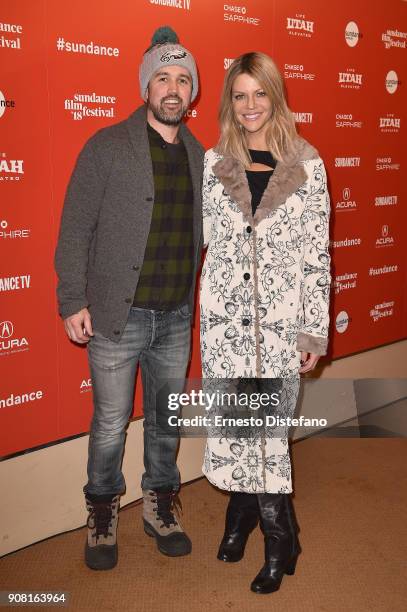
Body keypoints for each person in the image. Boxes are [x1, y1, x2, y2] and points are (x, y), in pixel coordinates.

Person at [55, 26, 204, 570]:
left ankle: (160, 505)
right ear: (146, 86)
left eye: (182, 79)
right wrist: (72, 299)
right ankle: (102, 512)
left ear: (192, 93)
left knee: (166, 421)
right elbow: (75, 228)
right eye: (162, 77)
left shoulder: (199, 155)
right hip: (118, 318)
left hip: (175, 316)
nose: (172, 88)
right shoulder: (107, 145)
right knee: (110, 424)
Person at [200, 52, 331, 593]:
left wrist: (312, 328)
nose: (250, 106)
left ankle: (278, 536)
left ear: (276, 97)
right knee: (236, 427)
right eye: (240, 95)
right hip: (225, 323)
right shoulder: (213, 163)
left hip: (279, 326)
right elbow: (206, 242)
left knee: (268, 432)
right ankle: (243, 516)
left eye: (260, 94)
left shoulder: (306, 164)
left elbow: (317, 253)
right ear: (230, 102)